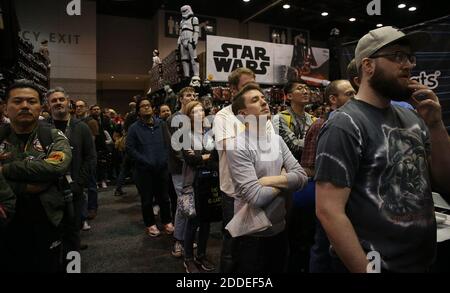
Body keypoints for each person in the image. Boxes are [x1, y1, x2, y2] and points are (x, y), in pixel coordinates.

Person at [315, 26, 450, 273]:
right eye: (397, 56)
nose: (408, 65)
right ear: (368, 65)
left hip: (424, 260)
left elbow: (444, 181)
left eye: (410, 57)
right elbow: (328, 211)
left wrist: (436, 125)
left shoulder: (412, 115)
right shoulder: (344, 124)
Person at [227, 83, 307, 273]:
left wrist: (268, 181)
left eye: (263, 98)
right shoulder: (237, 146)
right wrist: (285, 179)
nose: (264, 102)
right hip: (253, 235)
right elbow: (256, 197)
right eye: (255, 100)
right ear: (242, 114)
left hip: (280, 228)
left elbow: (302, 177)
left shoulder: (277, 141)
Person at [0, 80, 72, 272]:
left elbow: (56, 166)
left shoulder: (53, 136)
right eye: (18, 101)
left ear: (41, 108)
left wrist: (5, 170)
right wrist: (24, 187)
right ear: (5, 108)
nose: (24, 106)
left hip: (48, 220)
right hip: (6, 221)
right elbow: (43, 171)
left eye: (31, 101)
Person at [301, 80, 355, 273]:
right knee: (323, 250)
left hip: (352, 204)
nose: (354, 97)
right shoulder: (320, 126)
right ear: (333, 99)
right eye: (349, 94)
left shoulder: (357, 123)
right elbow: (307, 167)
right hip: (329, 201)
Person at [213, 67, 256, 273]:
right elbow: (229, 148)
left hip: (258, 189)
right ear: (233, 89)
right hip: (234, 192)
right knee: (232, 244)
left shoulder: (261, 114)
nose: (252, 90)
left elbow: (273, 148)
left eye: (255, 85)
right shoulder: (223, 116)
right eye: (247, 86)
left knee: (253, 246)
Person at [46, 87, 96, 253]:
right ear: (48, 105)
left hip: (74, 189)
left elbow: (90, 158)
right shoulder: (42, 129)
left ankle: (72, 268)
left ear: (68, 102)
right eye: (54, 100)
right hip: (48, 191)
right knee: (52, 235)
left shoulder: (81, 127)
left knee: (73, 233)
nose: (58, 103)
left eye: (61, 99)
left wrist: (79, 184)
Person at [126, 97, 174, 237]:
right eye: (143, 106)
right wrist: (145, 160)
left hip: (162, 168)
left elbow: (168, 143)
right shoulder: (134, 128)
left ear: (152, 108)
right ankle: (150, 224)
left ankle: (167, 221)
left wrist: (164, 159)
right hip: (143, 171)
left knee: (164, 198)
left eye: (148, 105)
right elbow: (130, 149)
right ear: (138, 111)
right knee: (147, 199)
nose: (146, 107)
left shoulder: (161, 124)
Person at [181, 101, 217, 273]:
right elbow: (192, 160)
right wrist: (208, 156)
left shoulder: (209, 132)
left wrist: (205, 156)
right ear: (188, 116)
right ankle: (188, 258)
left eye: (202, 110)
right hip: (193, 182)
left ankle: (201, 255)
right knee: (192, 222)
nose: (200, 113)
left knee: (206, 222)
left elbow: (216, 155)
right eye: (195, 111)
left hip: (209, 181)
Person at [166, 87, 196, 257]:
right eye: (187, 95)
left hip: (192, 167)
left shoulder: (193, 117)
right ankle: (178, 240)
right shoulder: (174, 118)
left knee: (189, 203)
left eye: (193, 95)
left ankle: (187, 236)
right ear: (180, 98)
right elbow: (176, 146)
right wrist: (191, 160)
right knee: (183, 203)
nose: (191, 97)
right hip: (180, 168)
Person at [178, 5, 200, 78]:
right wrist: (179, 40)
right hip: (182, 41)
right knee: (184, 59)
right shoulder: (182, 21)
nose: (183, 12)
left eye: (185, 11)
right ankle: (186, 75)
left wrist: (195, 39)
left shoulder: (194, 19)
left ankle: (196, 75)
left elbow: (196, 30)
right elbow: (180, 32)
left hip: (190, 40)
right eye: (182, 11)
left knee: (194, 58)